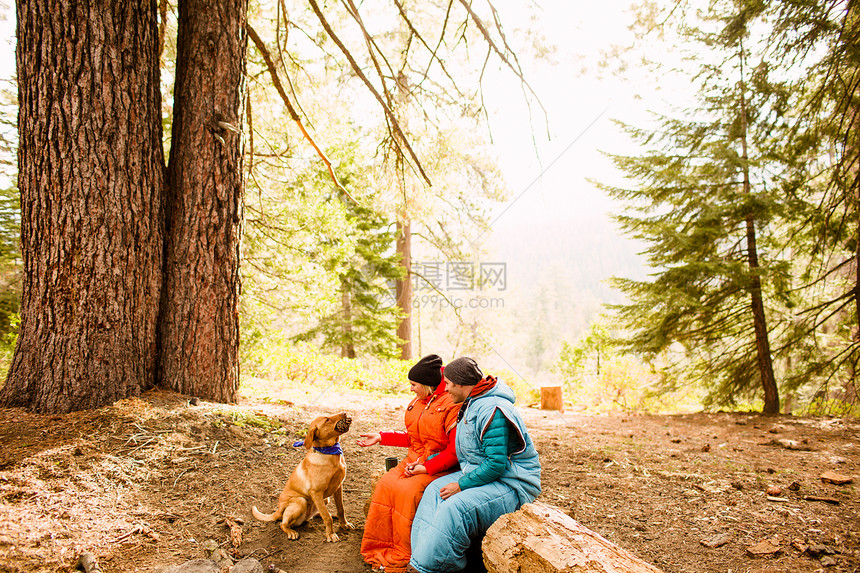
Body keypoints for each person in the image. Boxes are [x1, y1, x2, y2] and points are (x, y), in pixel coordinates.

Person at [407, 357, 541, 573]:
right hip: (480, 474)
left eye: (449, 383)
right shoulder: (471, 402)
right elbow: (467, 453)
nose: (446, 388)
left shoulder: (493, 410)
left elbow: (496, 464)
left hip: (511, 483)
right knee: (433, 491)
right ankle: (420, 560)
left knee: (454, 507)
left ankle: (438, 567)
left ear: (460, 384)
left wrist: (460, 485)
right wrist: (426, 463)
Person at [358, 354, 461, 572]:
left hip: (438, 466)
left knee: (408, 492)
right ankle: (381, 547)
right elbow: (414, 437)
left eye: (414, 385)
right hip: (412, 461)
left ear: (427, 385)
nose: (411, 389)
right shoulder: (418, 402)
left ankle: (408, 553)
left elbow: (454, 451)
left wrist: (427, 466)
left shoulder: (451, 404)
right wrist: (382, 437)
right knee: (385, 484)